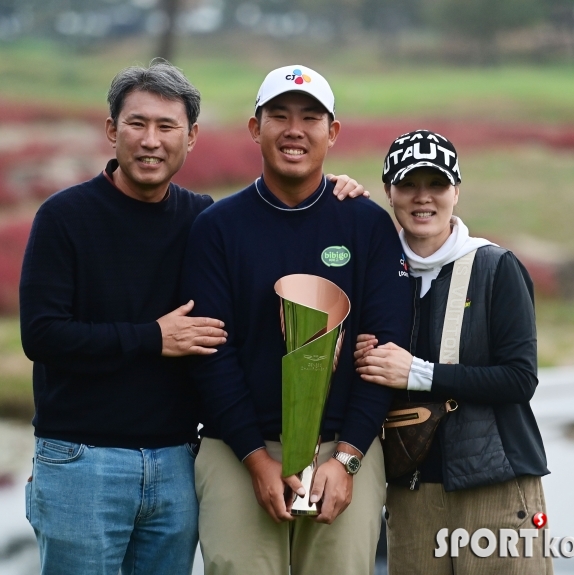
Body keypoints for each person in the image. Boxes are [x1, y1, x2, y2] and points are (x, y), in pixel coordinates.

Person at [19, 60, 365, 575]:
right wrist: (152, 338)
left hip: (175, 463)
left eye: (167, 127)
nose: (151, 141)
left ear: (192, 136)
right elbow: (42, 335)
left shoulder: (202, 218)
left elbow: (270, 243)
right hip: (83, 460)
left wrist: (329, 192)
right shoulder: (64, 217)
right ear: (112, 130)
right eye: (137, 124)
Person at [180, 65, 412, 575]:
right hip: (238, 449)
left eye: (310, 118)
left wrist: (347, 458)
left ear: (332, 132)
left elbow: (386, 350)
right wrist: (255, 460)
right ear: (254, 127)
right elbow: (211, 354)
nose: (294, 129)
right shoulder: (217, 227)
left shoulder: (366, 223)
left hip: (343, 449)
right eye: (278, 115)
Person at [354, 129, 553, 574]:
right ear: (389, 191)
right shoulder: (376, 273)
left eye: (437, 184)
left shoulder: (496, 266)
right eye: (408, 184)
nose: (422, 198)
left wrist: (418, 373)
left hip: (495, 487)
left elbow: (521, 380)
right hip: (410, 492)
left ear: (456, 191)